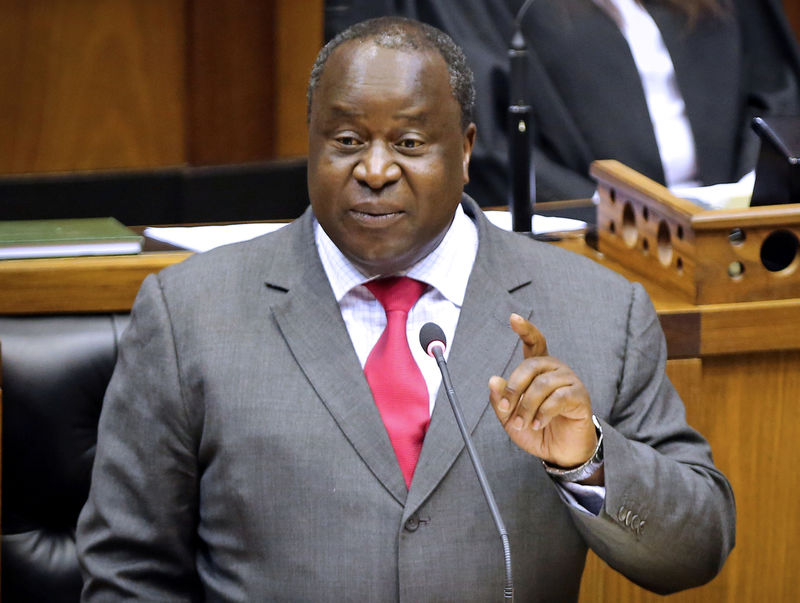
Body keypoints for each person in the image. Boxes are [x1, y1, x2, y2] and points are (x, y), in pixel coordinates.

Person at [76, 17, 735, 601]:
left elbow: (696, 546)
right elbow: (128, 571)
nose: (375, 169)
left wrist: (586, 458)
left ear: (468, 149)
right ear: (311, 144)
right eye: (346, 140)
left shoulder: (597, 310)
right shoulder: (189, 313)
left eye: (412, 144)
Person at [327, 0, 800, 206]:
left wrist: (752, 198)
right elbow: (486, 139)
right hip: (595, 243)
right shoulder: (501, 8)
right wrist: (614, 213)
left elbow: (775, 92)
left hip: (732, 245)